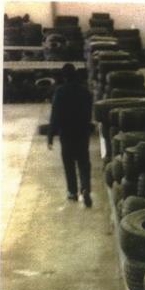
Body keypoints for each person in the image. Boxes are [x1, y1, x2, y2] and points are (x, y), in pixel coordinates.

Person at [47, 63, 93, 207]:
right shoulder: (85, 92)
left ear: (64, 76)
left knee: (69, 164)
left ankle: (72, 192)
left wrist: (50, 135)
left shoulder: (59, 92)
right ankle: (85, 188)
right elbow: (89, 113)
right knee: (84, 162)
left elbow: (55, 116)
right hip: (82, 132)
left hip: (66, 133)